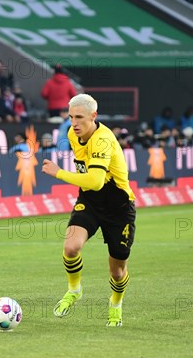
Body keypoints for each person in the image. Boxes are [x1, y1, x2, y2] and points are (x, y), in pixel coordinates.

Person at [42, 93, 136, 327]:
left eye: (79, 117)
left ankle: (115, 305)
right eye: (71, 117)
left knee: (117, 271)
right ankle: (74, 290)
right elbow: (92, 185)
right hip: (91, 201)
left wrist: (58, 173)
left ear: (93, 116)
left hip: (119, 207)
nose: (74, 123)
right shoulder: (73, 134)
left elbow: (95, 180)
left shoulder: (103, 139)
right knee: (71, 246)